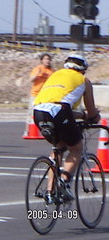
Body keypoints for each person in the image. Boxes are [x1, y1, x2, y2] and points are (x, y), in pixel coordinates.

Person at [33, 54, 100, 202]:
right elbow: (91, 111)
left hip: (38, 112)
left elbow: (58, 103)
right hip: (59, 112)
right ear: (83, 69)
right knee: (76, 148)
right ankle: (64, 180)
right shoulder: (84, 80)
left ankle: (50, 191)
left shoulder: (55, 75)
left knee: (58, 147)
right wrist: (94, 117)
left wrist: (82, 114)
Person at [24, 53, 54, 136]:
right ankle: (27, 131)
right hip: (36, 94)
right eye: (45, 59)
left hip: (46, 95)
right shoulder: (37, 69)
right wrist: (37, 73)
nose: (47, 61)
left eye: (49, 59)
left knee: (46, 113)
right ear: (42, 60)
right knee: (32, 112)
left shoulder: (51, 71)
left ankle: (45, 131)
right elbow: (31, 80)